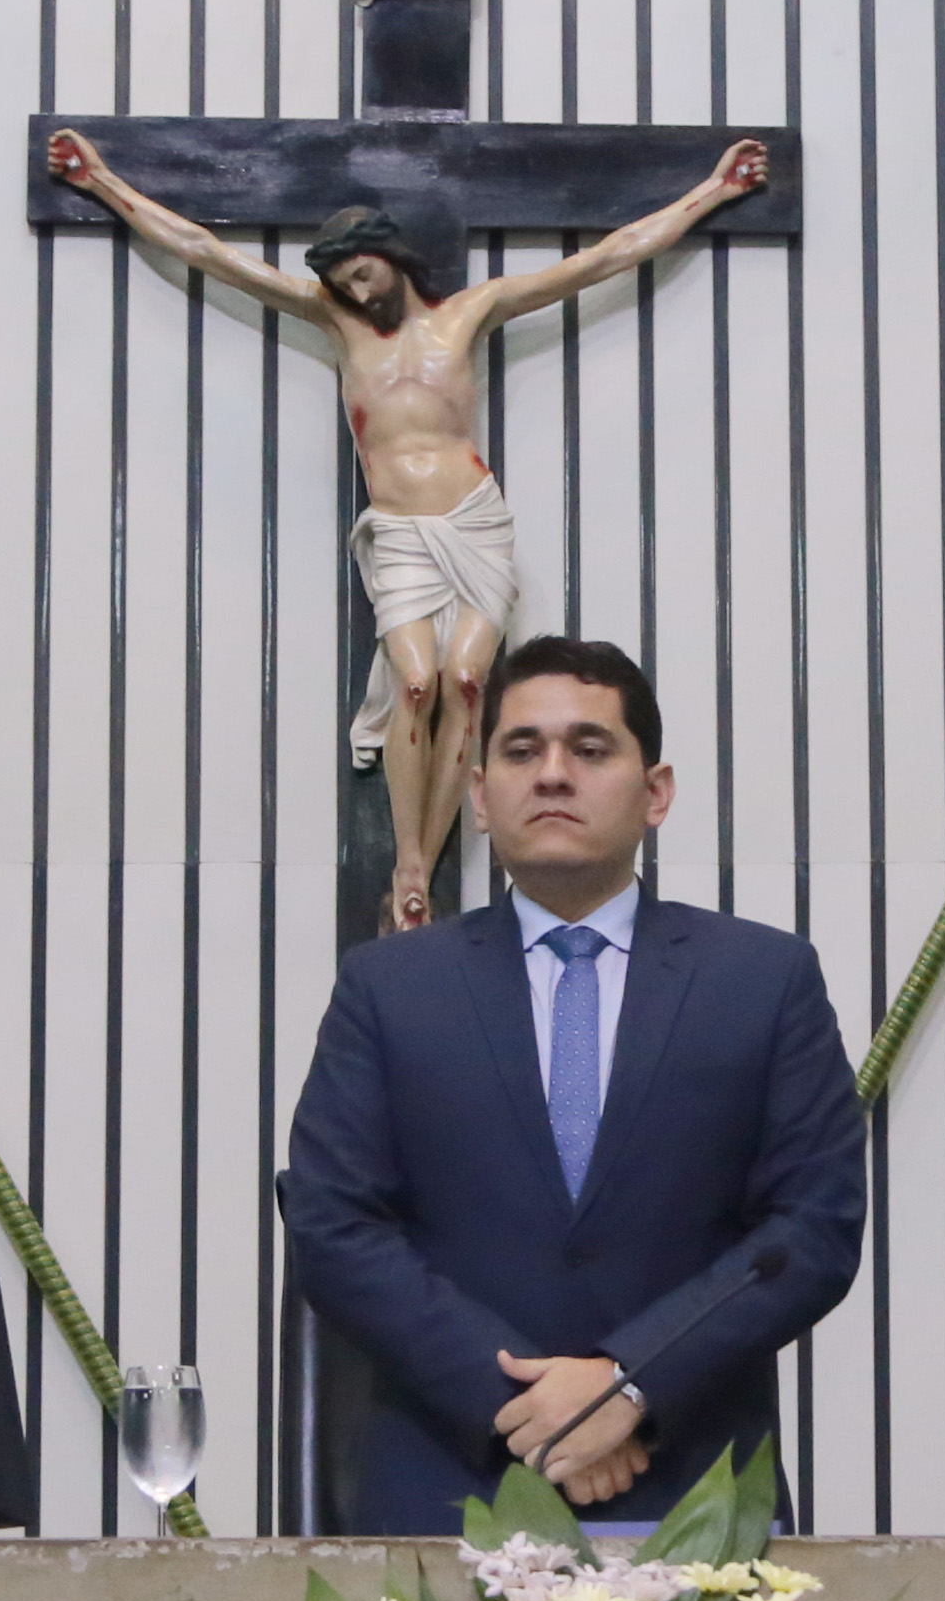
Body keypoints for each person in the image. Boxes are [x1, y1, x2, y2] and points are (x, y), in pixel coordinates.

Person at [41, 127, 768, 930]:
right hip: (399, 530)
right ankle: (409, 859)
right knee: (416, 684)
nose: (356, 292)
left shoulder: (470, 313)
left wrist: (716, 190)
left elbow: (603, 258)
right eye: (343, 284)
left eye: (363, 273)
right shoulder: (337, 323)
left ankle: (421, 867)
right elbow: (205, 251)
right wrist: (102, 182)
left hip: (472, 519)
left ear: (391, 257)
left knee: (468, 683)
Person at [277, 635, 865, 1531]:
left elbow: (812, 1228)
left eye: (589, 749)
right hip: (449, 1490)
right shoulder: (389, 987)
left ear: (655, 792)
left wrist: (630, 1384)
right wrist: (533, 1412)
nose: (553, 774)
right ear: (480, 796)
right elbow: (334, 1224)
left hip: (694, 1494)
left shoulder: (764, 981)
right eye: (522, 751)